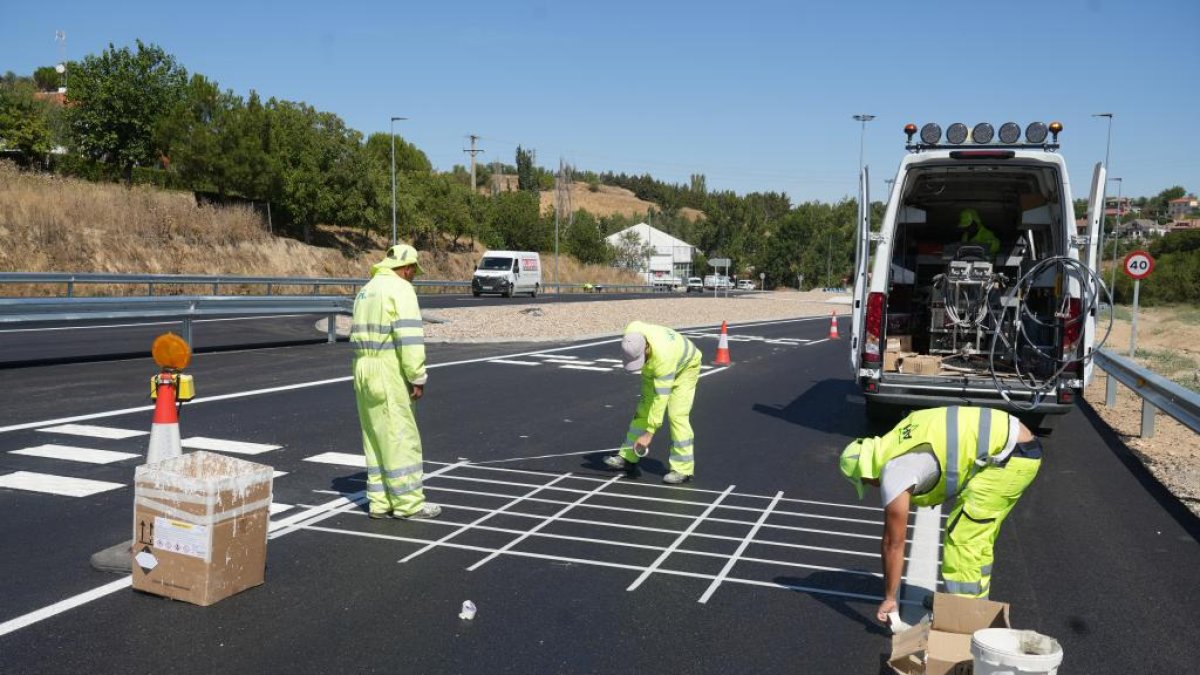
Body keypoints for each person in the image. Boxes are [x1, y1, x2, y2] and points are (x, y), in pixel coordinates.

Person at [838, 406, 1042, 623]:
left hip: (1010, 456)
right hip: (1017, 446)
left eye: (867, 483)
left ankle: (965, 621)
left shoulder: (895, 472)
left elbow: (893, 544)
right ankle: (973, 606)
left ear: (867, 473)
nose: (872, 486)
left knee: (964, 539)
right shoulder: (897, 438)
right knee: (977, 537)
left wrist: (890, 597)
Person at [350, 244, 440, 520]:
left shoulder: (366, 290)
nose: (414, 276)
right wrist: (417, 376)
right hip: (387, 368)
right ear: (407, 268)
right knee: (401, 435)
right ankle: (408, 505)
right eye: (414, 271)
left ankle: (379, 502)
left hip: (363, 367)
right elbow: (410, 338)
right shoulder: (401, 289)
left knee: (375, 435)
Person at [603, 321, 701, 484]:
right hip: (653, 364)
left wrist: (649, 434)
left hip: (686, 366)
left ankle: (683, 469)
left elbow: (660, 399)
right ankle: (628, 457)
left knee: (677, 415)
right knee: (643, 409)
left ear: (646, 348)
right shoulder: (631, 334)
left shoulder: (664, 358)